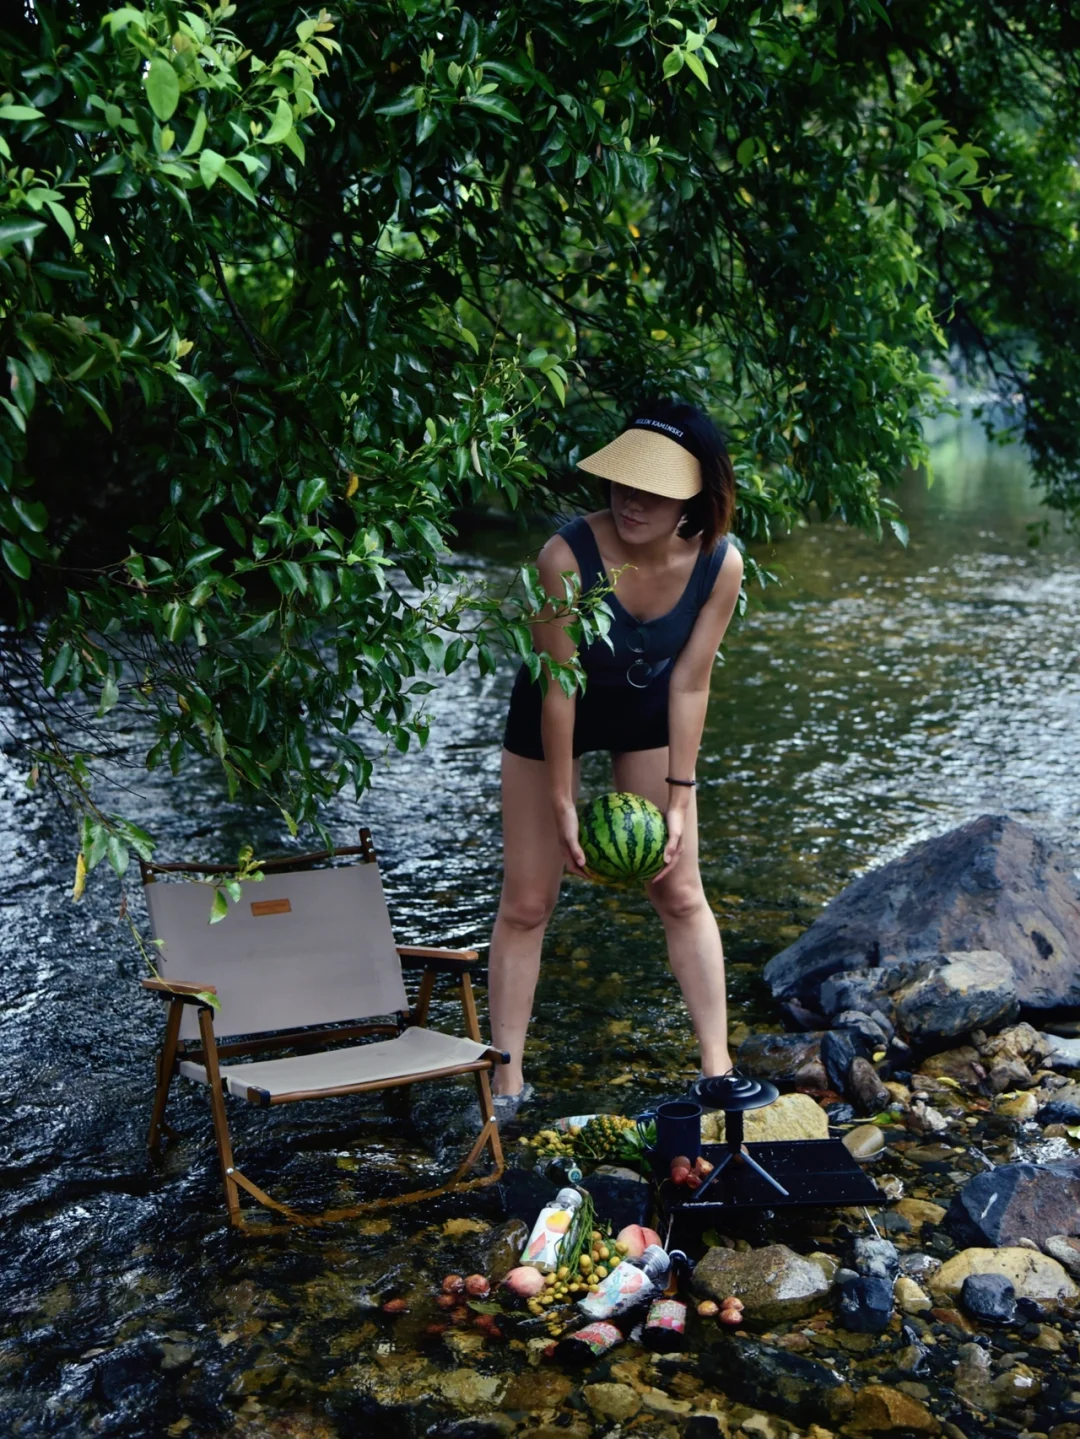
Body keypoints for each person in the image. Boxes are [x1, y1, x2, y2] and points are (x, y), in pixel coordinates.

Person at [486, 400, 744, 1122]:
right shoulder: (565, 557)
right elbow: (560, 688)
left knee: (679, 890)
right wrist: (563, 803)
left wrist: (680, 799)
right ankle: (506, 1080)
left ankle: (718, 1068)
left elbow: (691, 683)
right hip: (552, 709)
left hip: (646, 711)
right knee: (528, 902)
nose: (631, 500)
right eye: (624, 482)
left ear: (694, 494)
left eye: (654, 489)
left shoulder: (719, 563)